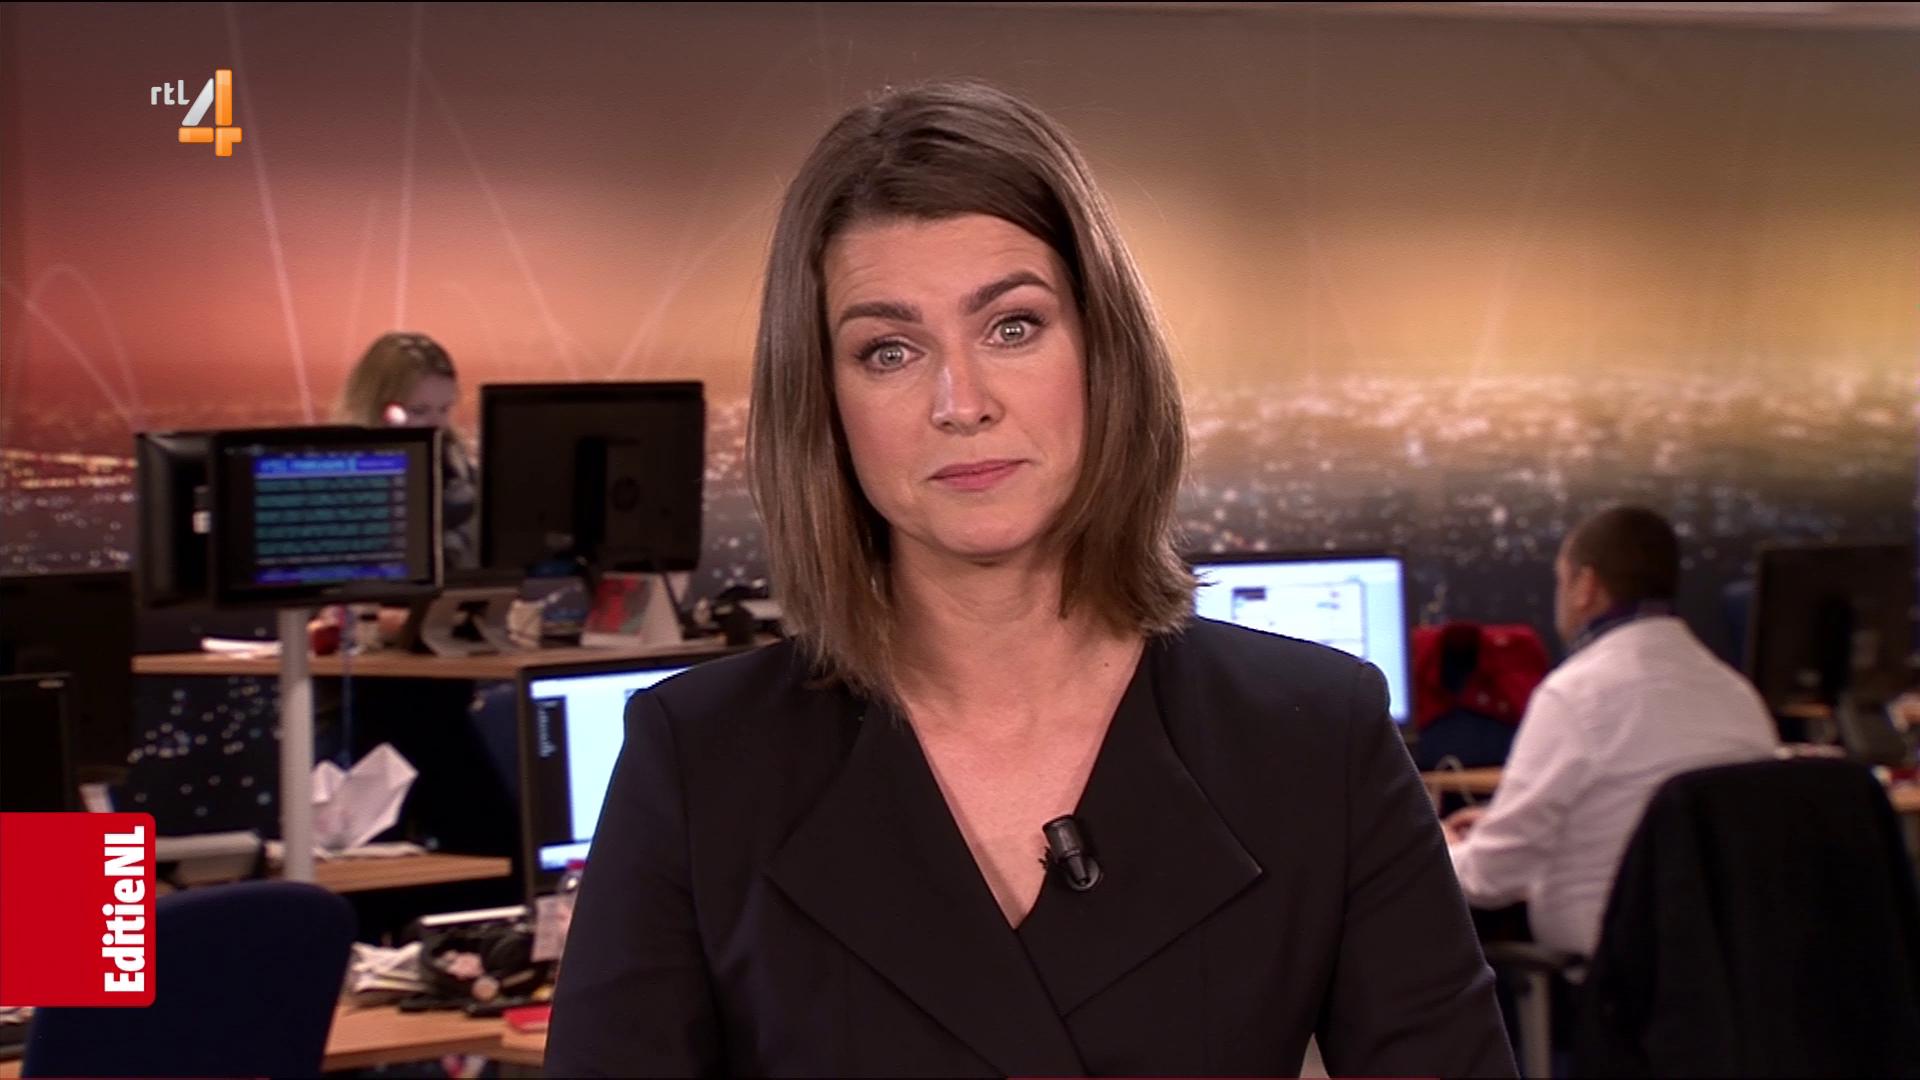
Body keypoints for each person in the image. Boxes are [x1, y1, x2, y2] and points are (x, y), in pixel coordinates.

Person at [545, 79, 1513, 1078]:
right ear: (824, 404)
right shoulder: (702, 762)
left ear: (1103, 352)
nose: (960, 402)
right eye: (889, 350)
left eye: (1012, 326)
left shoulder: (1314, 735)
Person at [1444, 505, 1780, 959]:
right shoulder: (1737, 694)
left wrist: (1436, 848)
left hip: (1610, 971)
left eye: (1561, 580)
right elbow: (1640, 814)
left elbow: (1488, 879)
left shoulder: (1576, 694)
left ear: (1585, 586)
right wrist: (1501, 822)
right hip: (1723, 965)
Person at [336, 331, 479, 572]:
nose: (438, 424)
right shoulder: (340, 489)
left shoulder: (466, 482)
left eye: (444, 409)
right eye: (419, 411)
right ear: (378, 409)